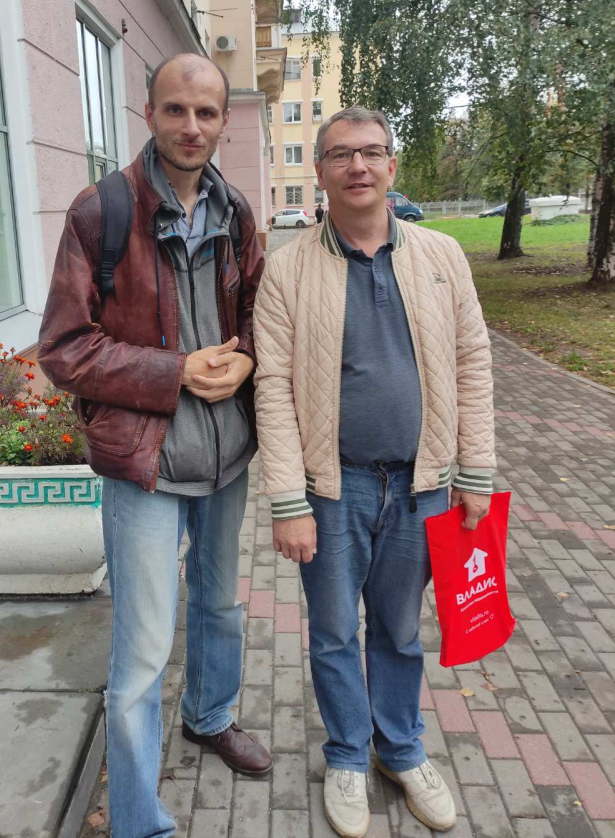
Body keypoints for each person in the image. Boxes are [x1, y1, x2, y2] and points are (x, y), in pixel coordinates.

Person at [38, 54, 271, 838]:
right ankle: (139, 819)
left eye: (206, 113)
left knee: (220, 605)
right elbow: (64, 349)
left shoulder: (237, 213)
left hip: (226, 454)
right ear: (149, 115)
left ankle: (210, 716)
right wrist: (173, 372)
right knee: (142, 650)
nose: (191, 126)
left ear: (224, 121)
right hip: (144, 462)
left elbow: (259, 316)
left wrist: (247, 357)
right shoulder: (101, 211)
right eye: (176, 110)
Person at [253, 107, 494, 837]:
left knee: (398, 629)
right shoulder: (288, 267)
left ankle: (402, 749)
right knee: (333, 632)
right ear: (320, 172)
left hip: (422, 485)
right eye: (340, 155)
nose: (357, 166)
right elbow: (273, 385)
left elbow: (473, 362)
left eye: (371, 152)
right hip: (333, 489)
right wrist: (287, 499)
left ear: (393, 164)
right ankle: (348, 757)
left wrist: (476, 470)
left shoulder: (442, 256)